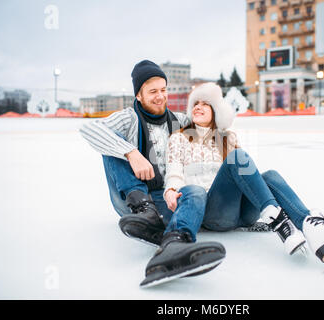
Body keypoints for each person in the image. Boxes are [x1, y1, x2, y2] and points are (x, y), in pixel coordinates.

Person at [160, 82, 324, 269]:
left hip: (242, 215)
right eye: (195, 103)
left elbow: (246, 178)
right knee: (237, 158)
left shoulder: (227, 138)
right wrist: (171, 189)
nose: (198, 107)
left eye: (205, 104)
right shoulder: (179, 138)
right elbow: (175, 170)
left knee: (269, 176)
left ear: (216, 111)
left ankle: (310, 225)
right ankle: (280, 222)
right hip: (214, 213)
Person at [80, 61, 226, 287]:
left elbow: (210, 124)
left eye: (163, 90)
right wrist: (131, 152)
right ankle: (145, 212)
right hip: (133, 203)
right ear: (138, 95)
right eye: (153, 92)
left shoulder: (178, 120)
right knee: (112, 143)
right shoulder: (129, 118)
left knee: (194, 191)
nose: (160, 96)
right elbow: (90, 128)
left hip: (164, 197)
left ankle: (173, 246)